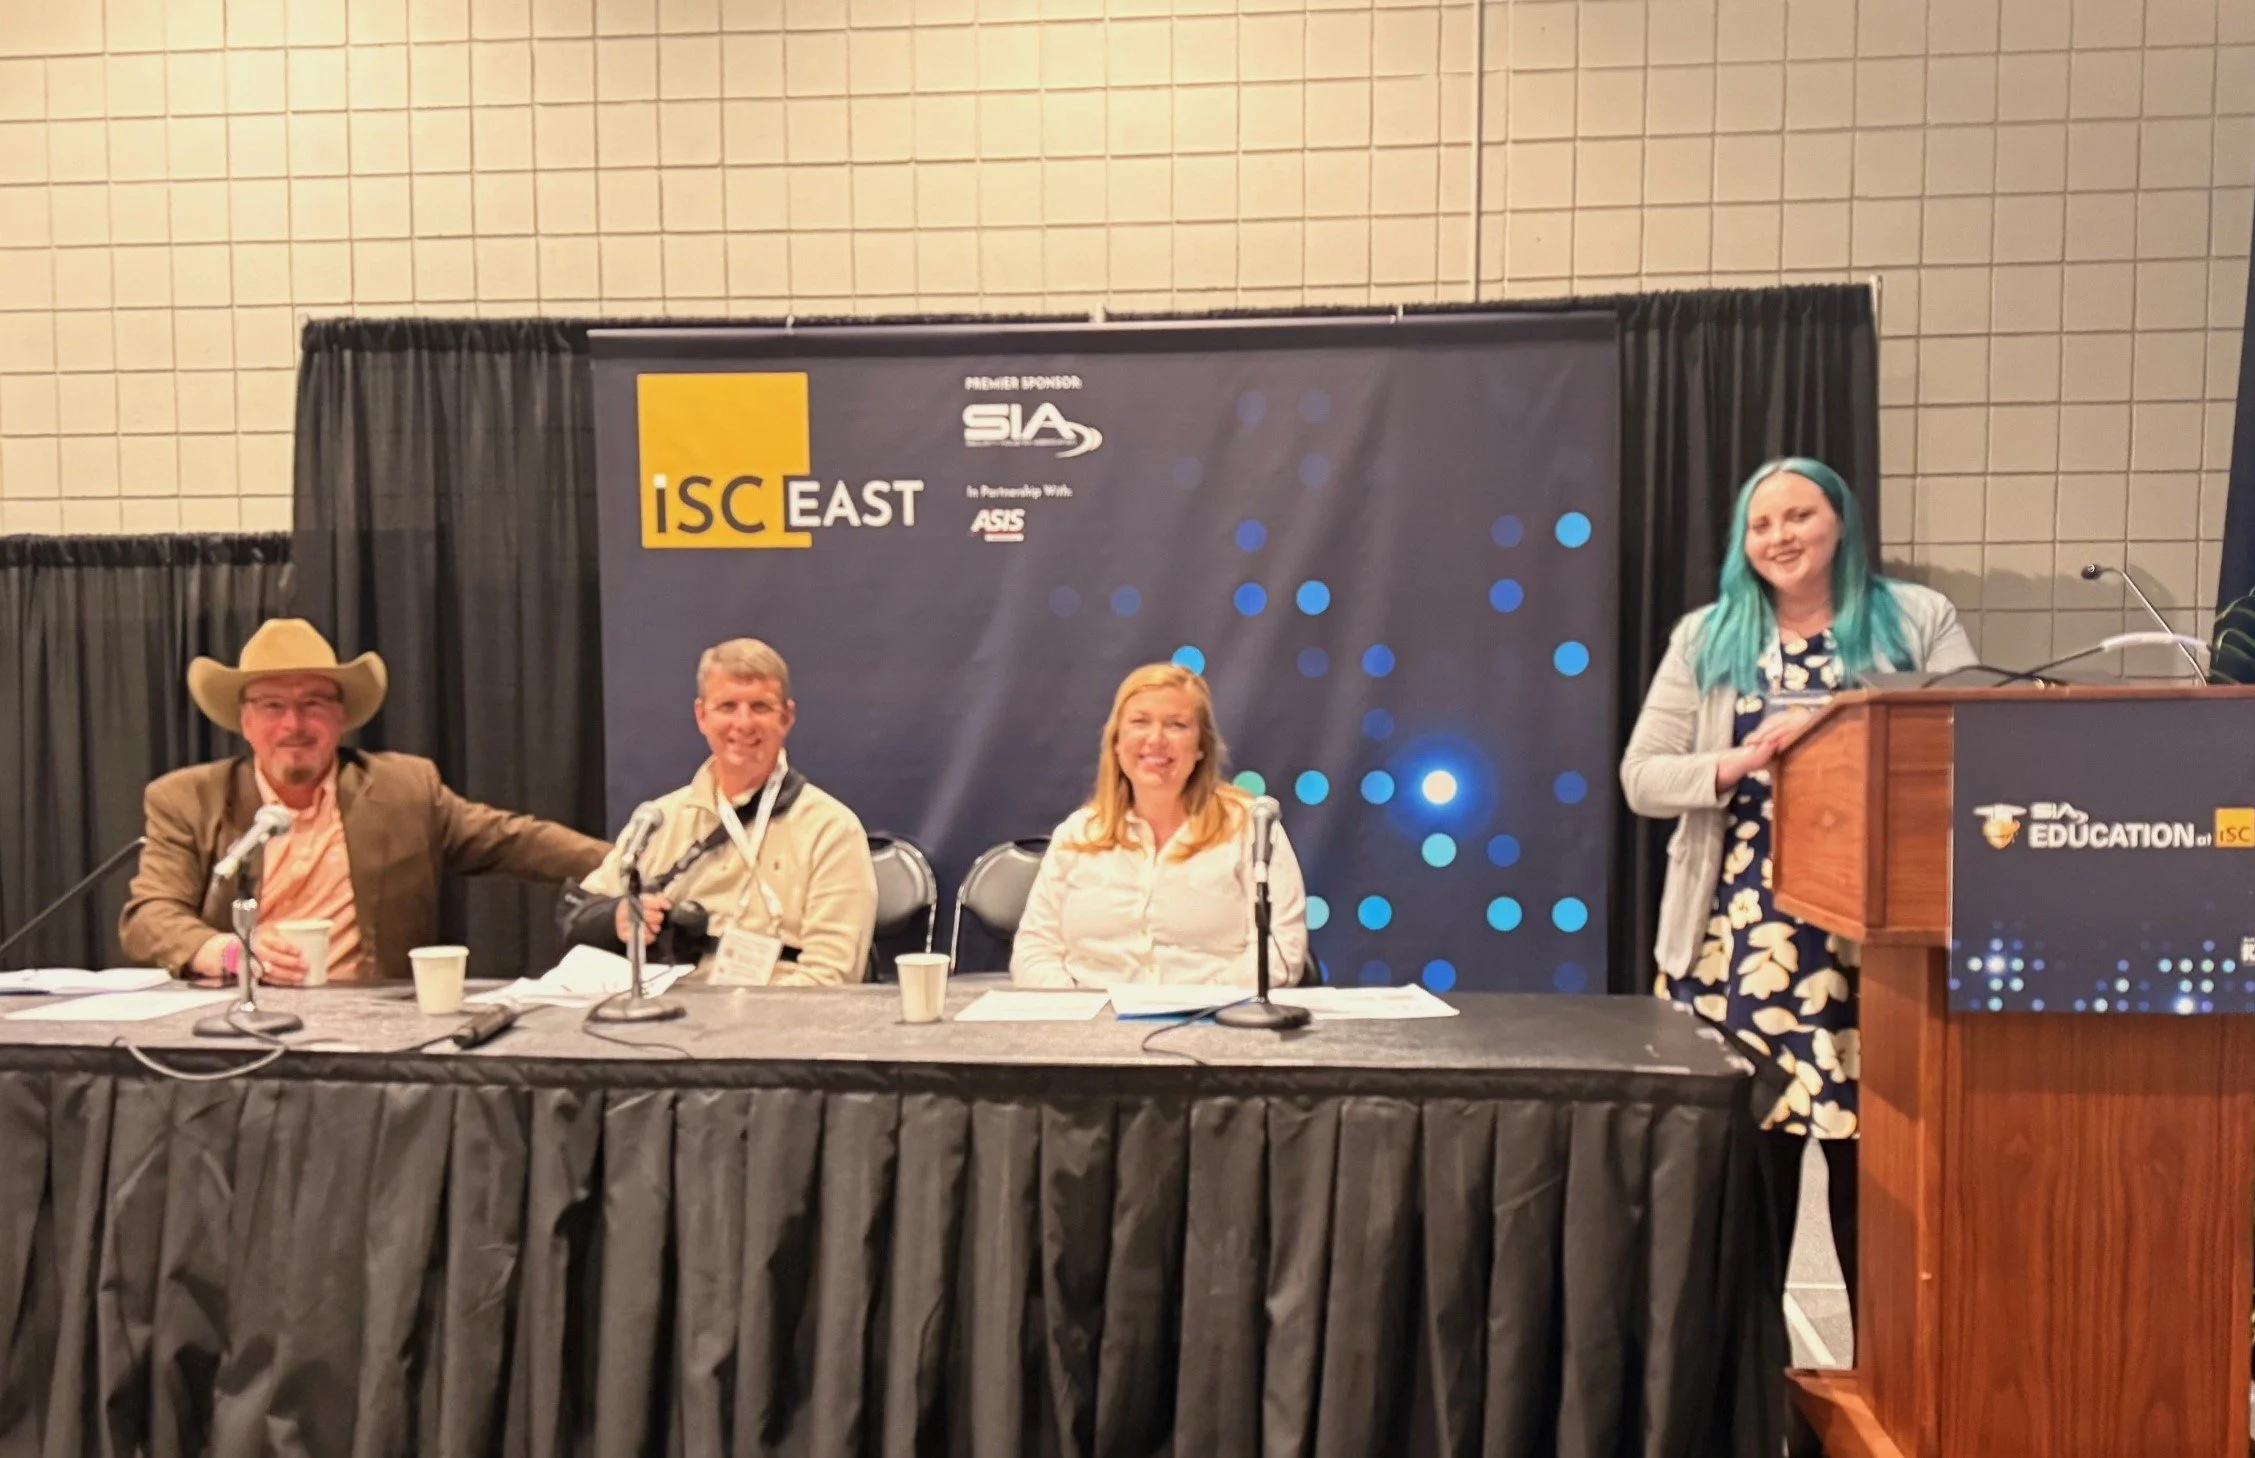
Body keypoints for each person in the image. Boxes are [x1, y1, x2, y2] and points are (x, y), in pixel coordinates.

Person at [1621, 458, 1975, 1311]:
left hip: (1879, 950)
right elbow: (1641, 778)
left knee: (1882, 1199)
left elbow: (1975, 740)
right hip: (1737, 948)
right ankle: (1753, 1389)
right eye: (1760, 523)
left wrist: (1842, 727)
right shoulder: (1706, 638)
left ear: (1839, 521)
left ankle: (1884, 1385)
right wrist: (1736, 761)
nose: (1778, 536)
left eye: (1798, 516)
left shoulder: (1917, 619)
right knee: (1747, 1199)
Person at [121, 618, 609, 984]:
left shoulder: (404, 790)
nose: (293, 724)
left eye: (313, 704)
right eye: (272, 706)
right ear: (244, 722)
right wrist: (228, 952)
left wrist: (628, 863)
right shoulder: (188, 799)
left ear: (342, 716)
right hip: (239, 1022)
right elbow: (150, 915)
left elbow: (515, 841)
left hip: (372, 1037)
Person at [560, 638, 877, 985]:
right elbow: (581, 911)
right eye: (727, 706)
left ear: (786, 717)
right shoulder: (660, 819)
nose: (743, 723)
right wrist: (617, 918)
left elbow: (831, 978)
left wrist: (737, 1014)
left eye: (760, 707)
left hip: (778, 1011)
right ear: (701, 716)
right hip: (665, 1007)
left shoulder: (831, 829)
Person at [1012, 663, 1308, 988]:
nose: (1155, 739)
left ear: (1201, 747)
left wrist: (1199, 1003)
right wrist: (1075, 1004)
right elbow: (1033, 951)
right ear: (1116, 741)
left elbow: (1282, 950)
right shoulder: (1078, 833)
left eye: (1176, 725)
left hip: (1215, 1013)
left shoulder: (1250, 827)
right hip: (1090, 1014)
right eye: (1140, 722)